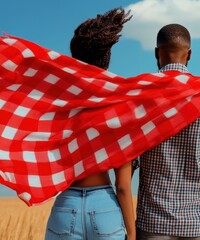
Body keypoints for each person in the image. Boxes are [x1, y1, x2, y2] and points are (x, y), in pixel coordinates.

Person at [45, 8, 136, 240]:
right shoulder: (117, 105)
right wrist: (133, 235)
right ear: (107, 60)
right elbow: (123, 187)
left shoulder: (59, 104)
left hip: (66, 206)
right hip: (105, 208)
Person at [136, 24, 200, 240]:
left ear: (156, 53)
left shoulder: (140, 95)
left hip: (152, 224)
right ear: (189, 55)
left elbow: (127, 164)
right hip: (199, 226)